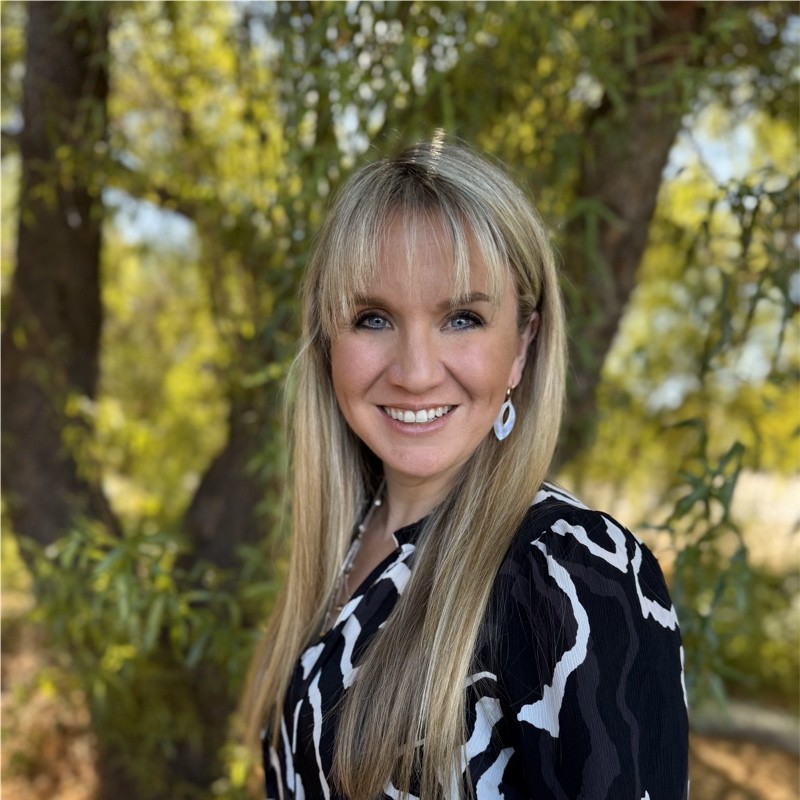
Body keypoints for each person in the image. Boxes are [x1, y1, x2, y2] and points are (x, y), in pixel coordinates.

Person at [241, 136, 689, 800]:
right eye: (372, 318)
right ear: (328, 339)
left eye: (462, 318)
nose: (417, 372)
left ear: (522, 346)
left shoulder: (575, 576)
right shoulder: (345, 539)